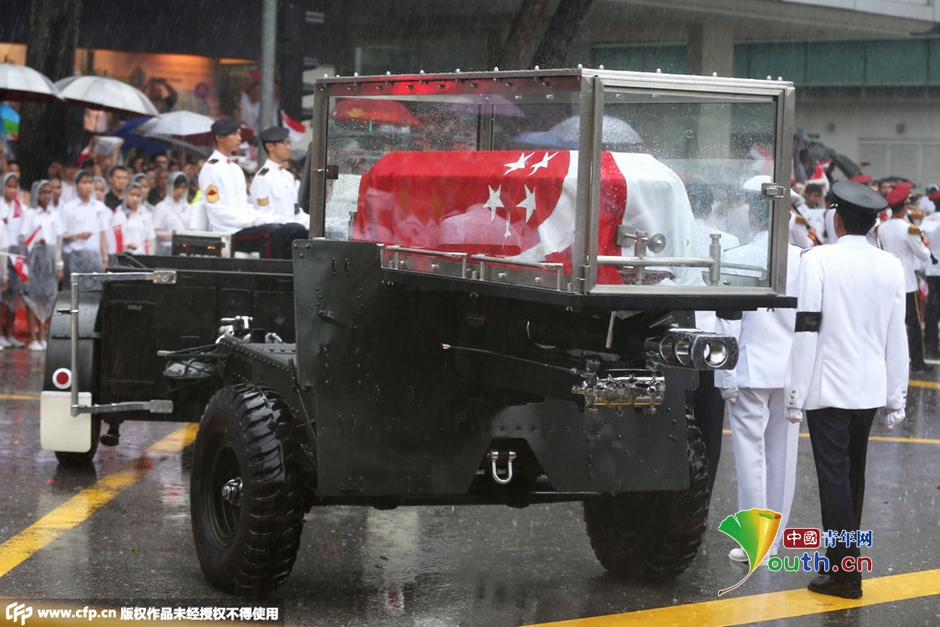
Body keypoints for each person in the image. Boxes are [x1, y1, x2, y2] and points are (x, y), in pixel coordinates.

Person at [785, 180, 908, 600]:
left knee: (834, 476)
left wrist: (794, 394)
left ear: (837, 220)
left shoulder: (818, 259)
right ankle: (845, 563)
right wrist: (897, 397)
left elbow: (806, 329)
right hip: (868, 388)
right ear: (873, 224)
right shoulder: (890, 265)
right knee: (853, 474)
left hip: (828, 387)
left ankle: (844, 573)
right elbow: (897, 337)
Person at [717, 243, 801, 564]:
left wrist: (725, 375)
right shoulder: (804, 258)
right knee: (783, 456)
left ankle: (756, 542)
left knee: (750, 456)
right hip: (790, 366)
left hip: (749, 365)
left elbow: (729, 317)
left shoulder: (737, 255)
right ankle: (774, 540)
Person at [198, 117, 307, 259]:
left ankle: (290, 270)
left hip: (244, 227)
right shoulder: (211, 169)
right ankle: (269, 271)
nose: (239, 138)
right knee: (272, 232)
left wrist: (262, 218)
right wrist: (251, 221)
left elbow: (243, 206)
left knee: (295, 229)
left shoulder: (236, 169)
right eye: (234, 134)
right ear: (219, 138)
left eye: (239, 134)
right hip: (229, 232)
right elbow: (217, 210)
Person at [876, 185, 932, 372]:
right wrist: (925, 245)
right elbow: (922, 254)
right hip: (907, 282)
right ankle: (917, 362)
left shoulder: (882, 228)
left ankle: (886, 361)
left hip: (888, 281)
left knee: (889, 324)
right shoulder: (909, 229)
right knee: (914, 325)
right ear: (905, 206)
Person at [20, 180, 63, 350]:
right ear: (36, 194)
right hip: (34, 258)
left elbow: (58, 242)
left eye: (49, 192)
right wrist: (36, 241)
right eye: (43, 192)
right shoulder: (31, 214)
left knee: (47, 297)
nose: (46, 196)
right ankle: (33, 337)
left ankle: (43, 336)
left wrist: (59, 264)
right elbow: (22, 237)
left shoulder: (54, 215)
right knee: (33, 297)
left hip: (50, 258)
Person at [249, 126, 309, 228]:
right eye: (284, 143)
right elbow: (265, 215)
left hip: (292, 228)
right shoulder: (263, 178)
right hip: (277, 231)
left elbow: (296, 212)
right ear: (270, 146)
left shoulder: (288, 176)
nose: (288, 147)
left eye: (289, 143)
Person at [60, 171, 109, 281]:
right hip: (74, 255)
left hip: (94, 255)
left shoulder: (99, 207)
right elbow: (62, 236)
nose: (88, 186)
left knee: (94, 287)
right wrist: (77, 236)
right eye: (84, 182)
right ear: (76, 185)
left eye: (90, 182)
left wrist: (105, 258)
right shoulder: (68, 208)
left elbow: (102, 235)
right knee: (74, 288)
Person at [0, 172, 25, 348]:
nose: (12, 190)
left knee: (13, 296)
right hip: (1, 252)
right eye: (9, 186)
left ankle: (9, 334)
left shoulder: (21, 208)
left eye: (15, 186)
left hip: (16, 253)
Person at [152, 172, 190, 256]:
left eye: (183, 187)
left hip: (184, 248)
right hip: (166, 248)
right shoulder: (161, 207)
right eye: (177, 187)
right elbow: (155, 232)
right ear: (170, 187)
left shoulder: (187, 206)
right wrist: (174, 235)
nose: (180, 191)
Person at [120, 182, 156, 255]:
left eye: (138, 196)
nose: (135, 199)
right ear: (126, 195)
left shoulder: (145, 214)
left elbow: (150, 238)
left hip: (142, 255)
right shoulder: (119, 213)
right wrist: (126, 245)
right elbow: (115, 239)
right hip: (125, 255)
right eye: (132, 195)